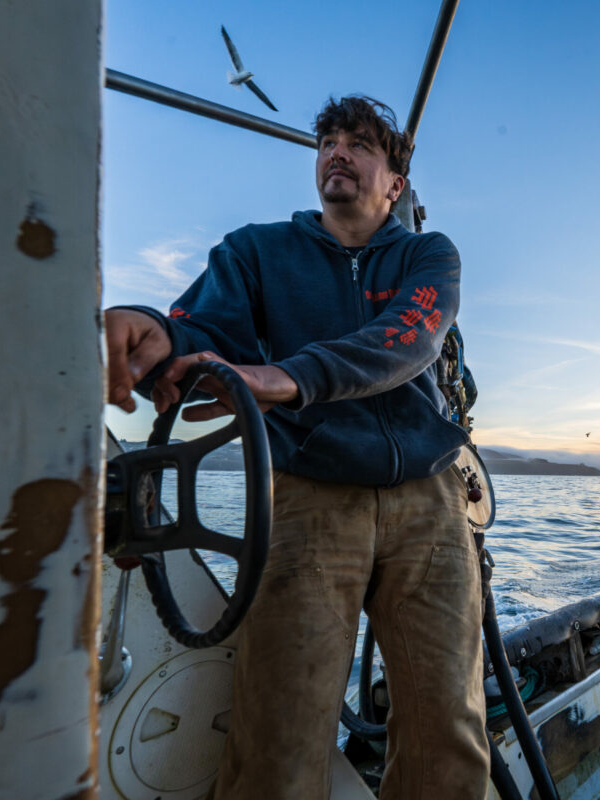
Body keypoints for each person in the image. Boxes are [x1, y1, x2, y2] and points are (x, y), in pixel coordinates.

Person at [105, 95, 489, 799]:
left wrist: (285, 377)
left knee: (449, 735)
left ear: (395, 186)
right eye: (328, 143)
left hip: (428, 501)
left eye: (359, 145)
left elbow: (409, 340)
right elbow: (203, 333)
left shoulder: (427, 254)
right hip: (308, 496)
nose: (337, 153)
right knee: (276, 736)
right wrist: (158, 332)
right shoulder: (253, 252)